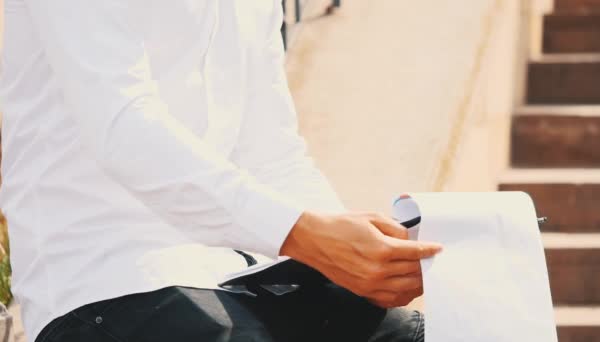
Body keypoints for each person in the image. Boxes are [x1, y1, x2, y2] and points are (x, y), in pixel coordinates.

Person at [0, 1, 442, 341]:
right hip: (104, 283)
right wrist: (304, 233)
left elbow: (273, 154)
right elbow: (122, 125)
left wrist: (352, 258)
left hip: (239, 275)